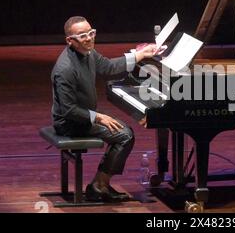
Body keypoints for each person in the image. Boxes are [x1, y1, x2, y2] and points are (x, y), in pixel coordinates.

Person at [51, 16, 156, 201]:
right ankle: (99, 186)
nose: (90, 38)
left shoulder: (88, 53)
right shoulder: (65, 69)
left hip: (84, 116)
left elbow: (108, 66)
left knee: (123, 131)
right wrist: (98, 117)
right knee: (125, 136)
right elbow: (68, 110)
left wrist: (142, 54)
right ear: (70, 40)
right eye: (83, 35)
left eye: (91, 33)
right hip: (70, 123)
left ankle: (100, 184)